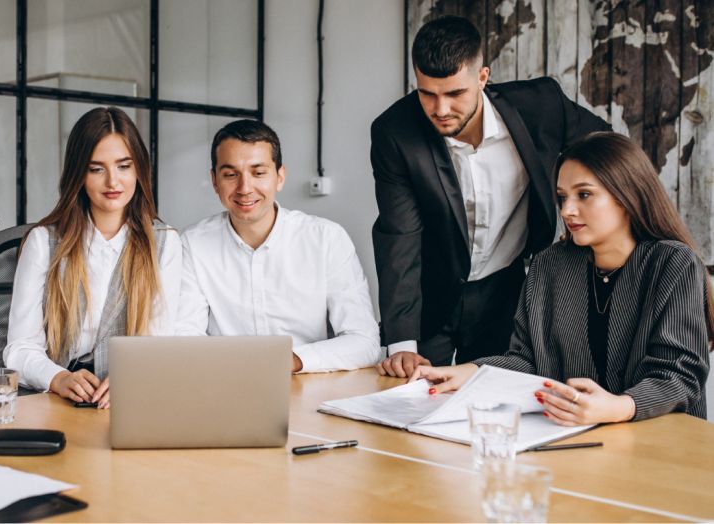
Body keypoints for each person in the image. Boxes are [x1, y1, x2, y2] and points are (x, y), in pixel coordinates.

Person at [409, 132, 713, 424]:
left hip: (661, 446)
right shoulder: (549, 265)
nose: (567, 210)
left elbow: (679, 377)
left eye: (584, 195)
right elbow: (527, 361)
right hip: (573, 441)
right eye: (562, 197)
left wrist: (618, 407)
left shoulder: (673, 263)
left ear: (626, 195)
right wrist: (470, 372)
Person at [371, 16, 610, 377]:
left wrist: (574, 208)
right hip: (428, 296)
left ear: (482, 78)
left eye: (455, 93)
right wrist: (401, 343)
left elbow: (610, 151)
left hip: (506, 293)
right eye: (427, 93)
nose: (440, 109)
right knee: (410, 406)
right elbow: (398, 234)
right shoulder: (395, 133)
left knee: (497, 402)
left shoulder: (541, 106)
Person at [4, 107, 181, 409]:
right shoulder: (44, 243)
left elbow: (160, 341)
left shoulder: (164, 242)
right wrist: (57, 378)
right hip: (57, 399)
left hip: (130, 399)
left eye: (124, 166)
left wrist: (133, 376)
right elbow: (18, 348)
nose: (113, 181)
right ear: (79, 175)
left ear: (139, 169)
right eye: (97, 169)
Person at [177, 119, 380, 372]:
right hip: (224, 386)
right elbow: (184, 338)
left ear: (280, 177)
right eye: (230, 175)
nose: (245, 188)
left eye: (258, 173)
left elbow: (364, 341)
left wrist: (291, 360)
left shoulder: (326, 238)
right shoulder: (190, 244)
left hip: (311, 385)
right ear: (215, 180)